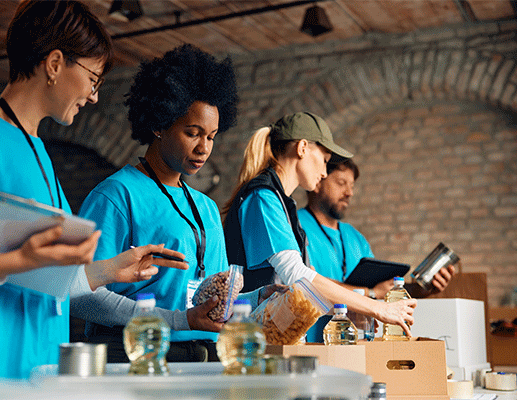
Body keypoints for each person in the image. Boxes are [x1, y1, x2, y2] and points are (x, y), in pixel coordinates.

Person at [0, 0, 187, 379]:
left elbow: (48, 280)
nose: (94, 95)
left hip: (35, 366)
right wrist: (14, 262)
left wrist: (112, 270)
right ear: (54, 64)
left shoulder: (42, 155)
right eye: (93, 79)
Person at [77, 44, 279, 363]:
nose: (204, 148)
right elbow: (80, 297)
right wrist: (176, 321)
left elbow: (210, 298)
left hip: (206, 354)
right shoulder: (116, 195)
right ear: (159, 124)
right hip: (138, 355)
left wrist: (257, 298)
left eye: (211, 136)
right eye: (192, 133)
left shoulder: (207, 207)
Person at [223, 112, 417, 336]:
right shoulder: (263, 197)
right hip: (245, 342)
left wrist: (347, 310)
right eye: (324, 160)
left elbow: (302, 288)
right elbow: (297, 275)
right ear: (302, 148)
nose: (324, 172)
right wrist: (378, 308)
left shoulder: (284, 204)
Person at [299, 158, 456, 342]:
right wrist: (371, 293)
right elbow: (304, 281)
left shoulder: (355, 237)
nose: (349, 193)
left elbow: (384, 290)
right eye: (341, 183)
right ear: (318, 181)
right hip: (310, 343)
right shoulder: (296, 226)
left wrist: (425, 288)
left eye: (352, 186)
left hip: (353, 343)